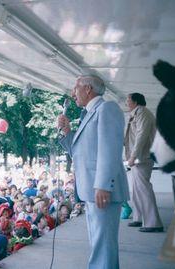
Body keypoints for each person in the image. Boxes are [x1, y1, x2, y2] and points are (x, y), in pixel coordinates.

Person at [57, 74, 130, 269]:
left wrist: (103, 185)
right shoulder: (89, 114)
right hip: (92, 190)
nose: (73, 93)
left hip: (101, 190)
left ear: (88, 89)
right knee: (101, 245)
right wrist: (67, 132)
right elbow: (79, 152)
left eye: (76, 87)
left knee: (102, 246)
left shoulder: (107, 108)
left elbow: (110, 149)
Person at [124, 93, 163, 232]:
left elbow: (141, 135)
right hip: (138, 157)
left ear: (136, 101)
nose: (126, 103)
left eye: (128, 100)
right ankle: (138, 217)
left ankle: (153, 223)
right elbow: (131, 137)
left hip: (143, 157)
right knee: (136, 190)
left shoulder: (143, 113)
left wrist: (133, 156)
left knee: (143, 189)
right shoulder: (136, 114)